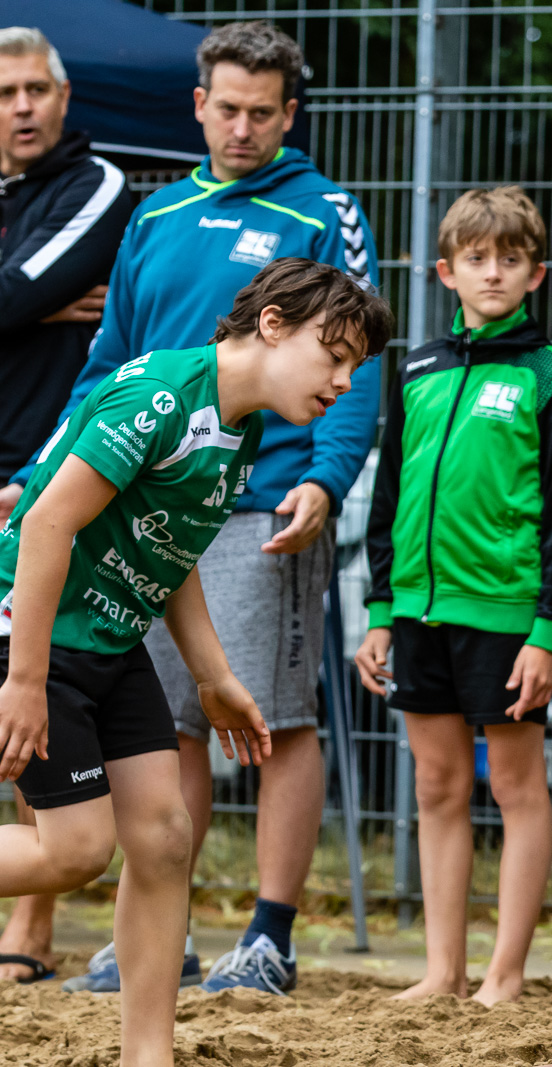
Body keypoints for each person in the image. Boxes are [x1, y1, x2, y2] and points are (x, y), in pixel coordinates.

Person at [4, 20, 382, 996]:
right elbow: (107, 371)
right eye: (227, 107)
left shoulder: (324, 213)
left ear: (290, 115)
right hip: (90, 549)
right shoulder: (157, 218)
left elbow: (356, 368)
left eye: (264, 111)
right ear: (199, 106)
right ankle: (142, 943)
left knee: (252, 731)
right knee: (121, 798)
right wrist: (49, 468)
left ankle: (265, 932)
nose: (243, 126)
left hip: (246, 505)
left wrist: (327, 477)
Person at [0, 258, 390, 1067]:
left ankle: (151, 1055)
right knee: (74, 850)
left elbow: (171, 559)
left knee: (167, 836)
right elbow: (44, 525)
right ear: (274, 323)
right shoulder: (163, 396)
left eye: (357, 365)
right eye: (336, 354)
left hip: (110, 639)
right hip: (36, 631)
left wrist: (215, 679)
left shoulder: (241, 426)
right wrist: (25, 678)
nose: (347, 382)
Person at [353, 186, 552, 1006]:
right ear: (445, 270)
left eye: (511, 259)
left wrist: (547, 631)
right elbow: (389, 496)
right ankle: (443, 970)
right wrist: (380, 612)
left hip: (505, 615)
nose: (494, 273)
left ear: (536, 273)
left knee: (516, 789)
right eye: (478, 259)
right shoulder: (414, 367)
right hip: (417, 612)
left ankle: (505, 973)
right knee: (435, 787)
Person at [0, 25, 134, 984]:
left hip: (41, 472)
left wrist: (25, 306)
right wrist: (28, 303)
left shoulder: (96, 185)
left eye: (34, 90)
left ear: (63, 94)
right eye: (3, 92)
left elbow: (12, 299)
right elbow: (13, 297)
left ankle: (29, 935)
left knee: (33, 682)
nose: (20, 107)